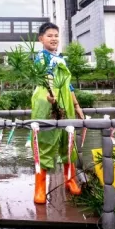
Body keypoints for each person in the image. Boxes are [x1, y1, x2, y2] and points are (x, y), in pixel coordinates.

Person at [31, 22, 84, 204]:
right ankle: (40, 187)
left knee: (67, 140)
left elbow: (68, 85)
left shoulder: (62, 59)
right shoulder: (40, 58)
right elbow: (45, 80)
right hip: (46, 100)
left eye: (56, 35)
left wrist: (77, 106)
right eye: (49, 35)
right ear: (41, 39)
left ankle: (70, 180)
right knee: (44, 141)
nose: (54, 39)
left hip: (65, 100)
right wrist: (50, 97)